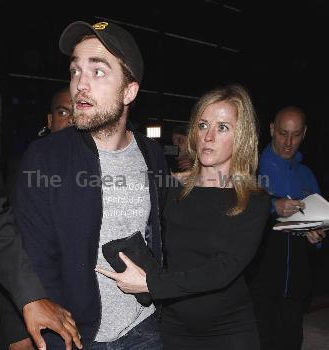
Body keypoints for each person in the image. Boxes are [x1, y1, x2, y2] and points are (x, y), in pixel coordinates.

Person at [14, 21, 168, 349]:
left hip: (145, 328)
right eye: (75, 71)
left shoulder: (152, 155)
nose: (80, 85)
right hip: (76, 336)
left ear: (129, 91)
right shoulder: (44, 158)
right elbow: (32, 257)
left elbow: (159, 234)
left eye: (98, 71)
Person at [96, 84, 271, 350]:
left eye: (222, 127)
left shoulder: (253, 199)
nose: (208, 137)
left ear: (242, 137)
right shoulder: (170, 188)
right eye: (202, 125)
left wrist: (150, 284)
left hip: (230, 331)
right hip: (173, 329)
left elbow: (223, 270)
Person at [0, 67, 82, 350]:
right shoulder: (26, 169)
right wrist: (14, 326)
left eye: (76, 112)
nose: (71, 121)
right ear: (49, 119)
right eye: (63, 112)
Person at [248, 106, 325, 350]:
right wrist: (271, 206)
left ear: (304, 134)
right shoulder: (252, 167)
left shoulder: (307, 175)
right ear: (271, 129)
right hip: (258, 283)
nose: (288, 142)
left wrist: (317, 235)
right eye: (283, 133)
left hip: (297, 285)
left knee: (291, 341)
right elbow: (233, 211)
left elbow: (318, 222)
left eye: (296, 134)